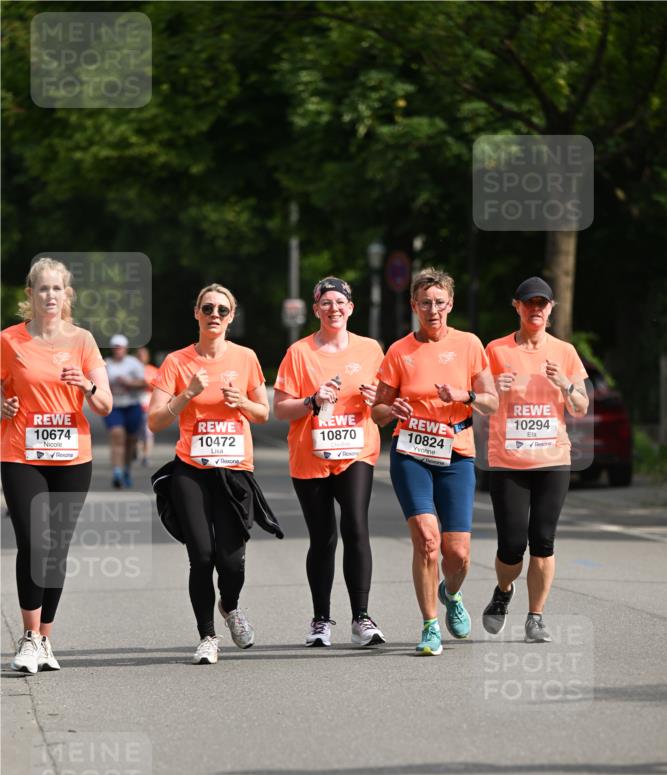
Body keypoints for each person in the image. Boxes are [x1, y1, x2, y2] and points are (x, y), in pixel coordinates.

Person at [148, 283, 277, 665]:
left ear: (232, 316)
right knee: (201, 556)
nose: (215, 315)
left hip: (235, 471)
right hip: (191, 469)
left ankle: (231, 606)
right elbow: (155, 421)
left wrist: (243, 403)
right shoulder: (176, 362)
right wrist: (186, 394)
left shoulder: (246, 357)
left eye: (222, 310)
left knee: (232, 559)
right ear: (196, 313)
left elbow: (263, 413)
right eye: (208, 308)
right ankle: (207, 636)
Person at [372, 267, 498, 655]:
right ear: (413, 305)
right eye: (425, 303)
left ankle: (451, 594)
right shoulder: (399, 351)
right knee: (427, 540)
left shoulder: (469, 344)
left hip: (456, 452)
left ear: (451, 304)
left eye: (439, 302)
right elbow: (376, 411)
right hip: (411, 451)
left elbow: (492, 401)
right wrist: (391, 409)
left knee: (457, 553)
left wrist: (464, 395)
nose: (433, 309)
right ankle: (429, 626)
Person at [1, 257, 112, 673]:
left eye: (57, 288)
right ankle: (28, 638)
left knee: (56, 550)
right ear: (30, 294)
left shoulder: (82, 340)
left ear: (68, 295)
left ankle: (46, 638)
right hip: (20, 454)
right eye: (42, 288)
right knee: (34, 542)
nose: (50, 295)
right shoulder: (9, 340)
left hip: (71, 457)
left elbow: (105, 403)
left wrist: (86, 384)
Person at [273, 276, 386, 648]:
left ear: (351, 308)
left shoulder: (371, 349)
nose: (334, 309)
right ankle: (321, 619)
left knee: (355, 525)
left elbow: (384, 402)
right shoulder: (299, 352)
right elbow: (280, 408)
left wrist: (376, 397)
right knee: (323, 538)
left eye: (340, 302)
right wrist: (311, 399)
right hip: (311, 454)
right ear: (316, 308)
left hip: (356, 450)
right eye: (326, 303)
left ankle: (362, 617)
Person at [481, 276, 589, 642]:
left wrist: (567, 384)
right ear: (517, 306)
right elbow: (482, 405)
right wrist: (495, 389)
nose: (536, 309)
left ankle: (535, 617)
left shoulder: (565, 352)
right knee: (512, 546)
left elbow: (580, 407)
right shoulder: (494, 350)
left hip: (553, 458)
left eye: (542, 304)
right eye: (529, 303)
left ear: (551, 309)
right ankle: (503, 591)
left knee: (543, 540)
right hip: (508, 460)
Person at [104, 333, 146, 488]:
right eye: (115, 347)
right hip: (114, 406)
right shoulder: (106, 364)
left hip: (132, 405)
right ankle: (117, 472)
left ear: (125, 348)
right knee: (117, 436)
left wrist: (129, 383)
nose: (117, 350)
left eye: (120, 347)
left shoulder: (134, 363)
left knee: (130, 442)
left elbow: (144, 383)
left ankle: (127, 468)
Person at [136, 346, 158, 466]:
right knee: (135, 432)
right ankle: (137, 454)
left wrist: (146, 384)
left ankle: (146, 456)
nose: (141, 358)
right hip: (133, 405)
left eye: (143, 355)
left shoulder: (153, 370)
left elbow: (160, 387)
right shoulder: (132, 370)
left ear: (147, 357)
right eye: (139, 355)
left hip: (147, 407)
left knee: (147, 432)